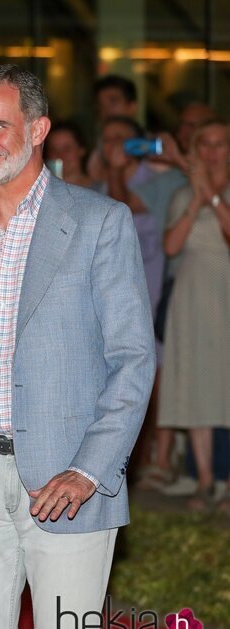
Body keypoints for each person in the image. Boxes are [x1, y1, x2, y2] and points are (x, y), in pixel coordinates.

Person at [0, 64, 155, 629]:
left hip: (66, 480)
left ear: (39, 127)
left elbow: (133, 357)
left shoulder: (101, 222)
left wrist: (89, 469)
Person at [157, 117, 230, 512]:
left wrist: (214, 198)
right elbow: (170, 246)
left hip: (226, 288)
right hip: (193, 294)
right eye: (206, 144)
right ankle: (204, 480)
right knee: (199, 384)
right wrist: (197, 200)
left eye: (220, 144)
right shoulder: (183, 194)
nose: (213, 152)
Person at [99, 116, 165, 316]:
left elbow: (122, 209)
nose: (112, 145)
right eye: (107, 139)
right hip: (110, 286)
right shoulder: (104, 185)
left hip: (145, 286)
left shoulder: (154, 181)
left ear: (138, 143)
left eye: (119, 138)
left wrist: (115, 169)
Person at [44, 122, 93, 188]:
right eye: (53, 149)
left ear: (81, 150)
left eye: (67, 149)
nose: (60, 155)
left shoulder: (103, 190)